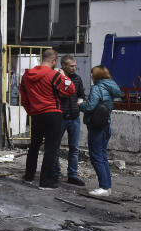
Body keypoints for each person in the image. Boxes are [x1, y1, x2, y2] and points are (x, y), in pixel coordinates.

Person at [19, 48, 75, 189]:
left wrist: (31, 111)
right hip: (53, 113)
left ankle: (29, 176)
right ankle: (46, 181)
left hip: (36, 115)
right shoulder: (53, 75)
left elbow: (24, 97)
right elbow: (70, 89)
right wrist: (64, 76)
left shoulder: (26, 76)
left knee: (34, 146)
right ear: (54, 61)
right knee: (51, 148)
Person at [79, 66, 124, 197]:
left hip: (96, 127)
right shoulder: (111, 86)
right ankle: (107, 187)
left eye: (92, 74)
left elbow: (90, 106)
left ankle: (104, 187)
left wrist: (80, 105)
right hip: (106, 125)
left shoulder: (97, 88)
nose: (91, 77)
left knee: (96, 157)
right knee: (103, 157)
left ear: (96, 76)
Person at [53, 55, 86, 186]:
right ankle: (55, 173)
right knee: (55, 147)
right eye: (71, 66)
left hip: (74, 118)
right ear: (64, 66)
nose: (74, 68)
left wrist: (78, 103)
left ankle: (72, 175)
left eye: (75, 65)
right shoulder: (56, 78)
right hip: (60, 117)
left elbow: (81, 95)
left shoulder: (77, 79)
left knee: (74, 148)